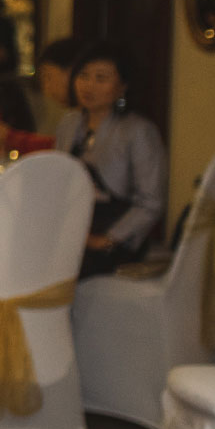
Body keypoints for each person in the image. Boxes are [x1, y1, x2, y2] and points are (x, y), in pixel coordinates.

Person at [54, 44, 166, 277]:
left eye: (100, 78)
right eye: (83, 76)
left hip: (116, 236)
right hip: (76, 226)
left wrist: (106, 240)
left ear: (122, 87)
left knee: (58, 267)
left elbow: (151, 202)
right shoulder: (69, 123)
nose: (88, 85)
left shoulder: (138, 131)